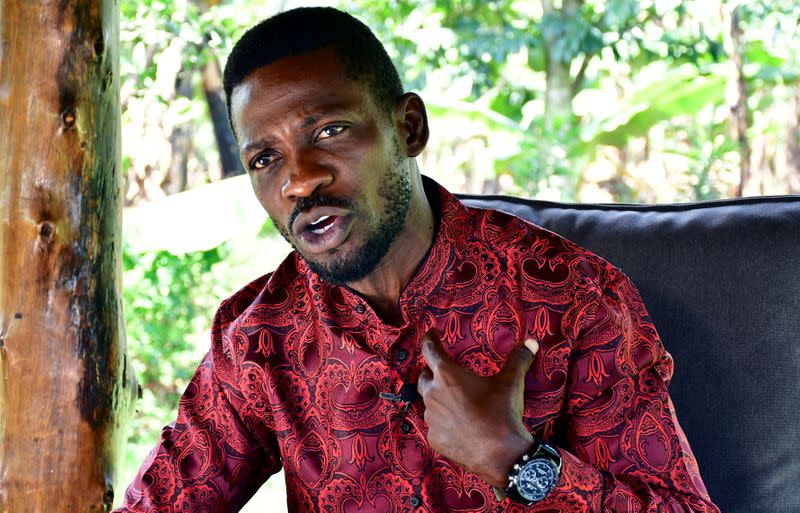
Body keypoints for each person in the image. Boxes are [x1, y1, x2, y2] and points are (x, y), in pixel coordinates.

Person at [114, 7, 720, 513]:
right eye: (264, 159)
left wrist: (517, 461)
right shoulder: (259, 339)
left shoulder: (570, 298)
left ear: (408, 127)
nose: (299, 181)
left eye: (328, 131)